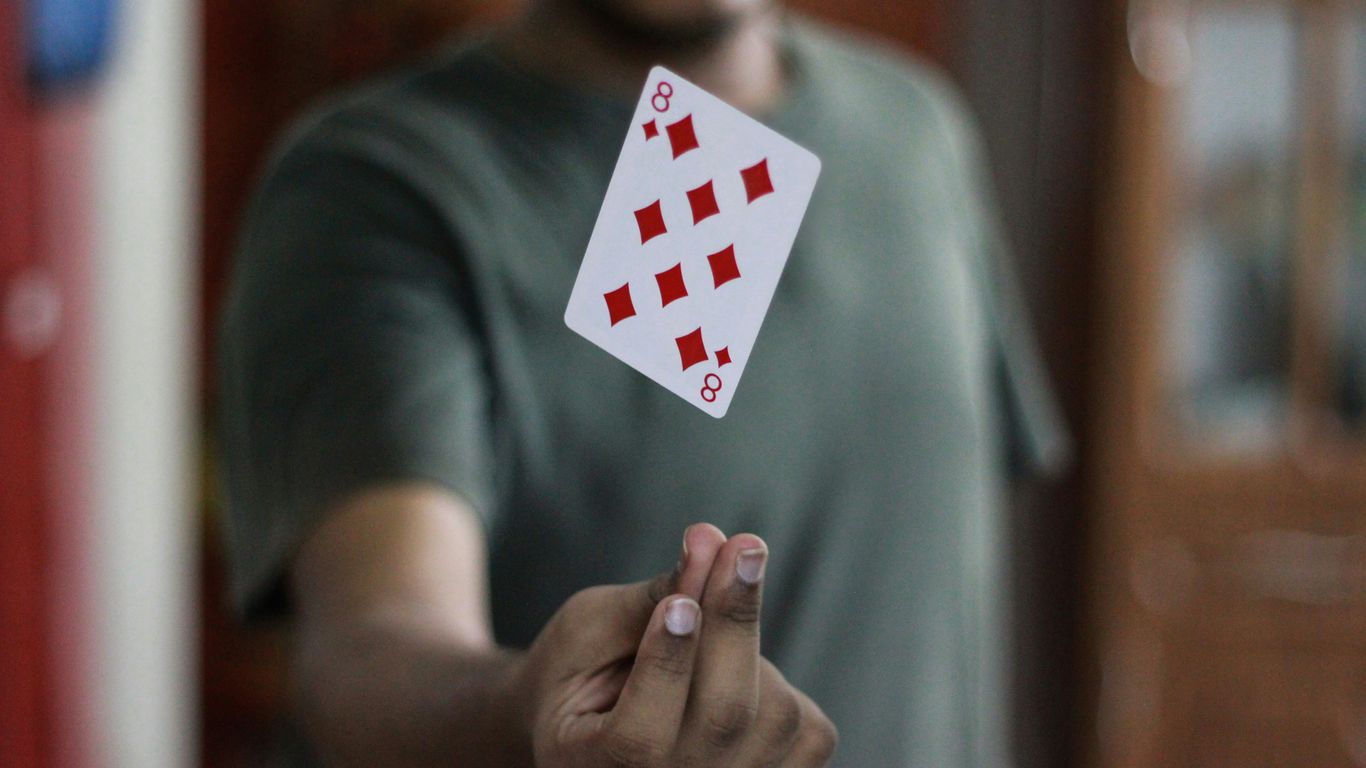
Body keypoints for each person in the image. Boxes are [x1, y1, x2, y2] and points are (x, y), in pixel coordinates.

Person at [218, 0, 1068, 765]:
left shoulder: (918, 128)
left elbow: (944, 577)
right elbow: (375, 636)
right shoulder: (379, 181)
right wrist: (528, 712)